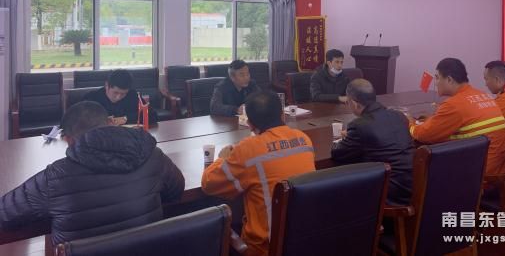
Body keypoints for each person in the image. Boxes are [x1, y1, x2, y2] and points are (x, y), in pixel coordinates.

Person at [0, 101, 185, 246]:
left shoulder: (56, 177)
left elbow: (5, 214)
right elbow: (176, 191)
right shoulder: (152, 154)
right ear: (111, 123)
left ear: (68, 140)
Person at [202, 91, 315, 256]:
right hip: (304, 240)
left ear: (250, 124)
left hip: (264, 249)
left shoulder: (249, 149)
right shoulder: (304, 139)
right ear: (282, 115)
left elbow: (208, 184)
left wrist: (222, 158)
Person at [409, 58, 505, 176]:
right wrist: (430, 120)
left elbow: (424, 135)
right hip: (502, 166)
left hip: (481, 173)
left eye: (437, 77)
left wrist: (409, 123)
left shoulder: (454, 104)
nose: (436, 82)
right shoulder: (484, 95)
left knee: (419, 163)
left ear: (449, 80)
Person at [332, 79, 414, 205]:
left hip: (389, 194)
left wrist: (342, 140)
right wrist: (353, 137)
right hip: (413, 187)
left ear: (354, 103)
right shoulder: (399, 116)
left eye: (348, 102)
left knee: (338, 187)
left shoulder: (359, 125)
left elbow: (338, 154)